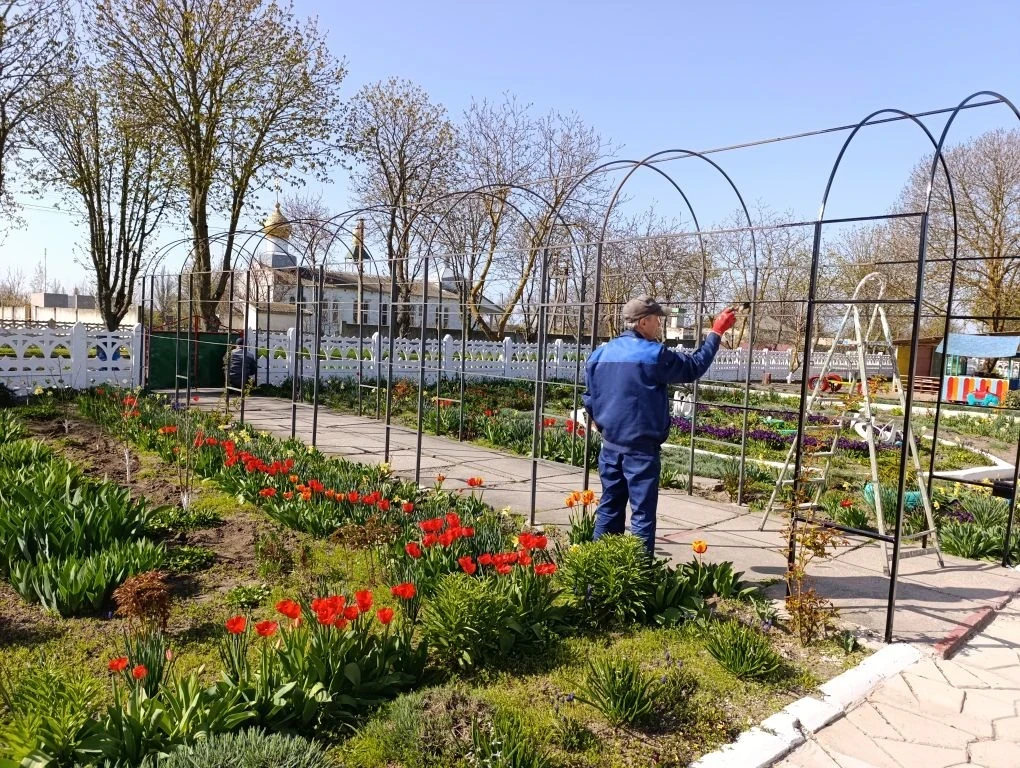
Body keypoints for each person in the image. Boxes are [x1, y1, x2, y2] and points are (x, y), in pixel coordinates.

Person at [582, 296, 737, 553]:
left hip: (610, 447)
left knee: (609, 508)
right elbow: (694, 367)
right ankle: (640, 580)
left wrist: (602, 423)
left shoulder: (600, 354)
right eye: (657, 320)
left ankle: (597, 574)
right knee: (642, 515)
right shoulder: (654, 355)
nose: (659, 325)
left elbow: (589, 397)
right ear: (643, 322)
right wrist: (716, 332)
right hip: (641, 450)